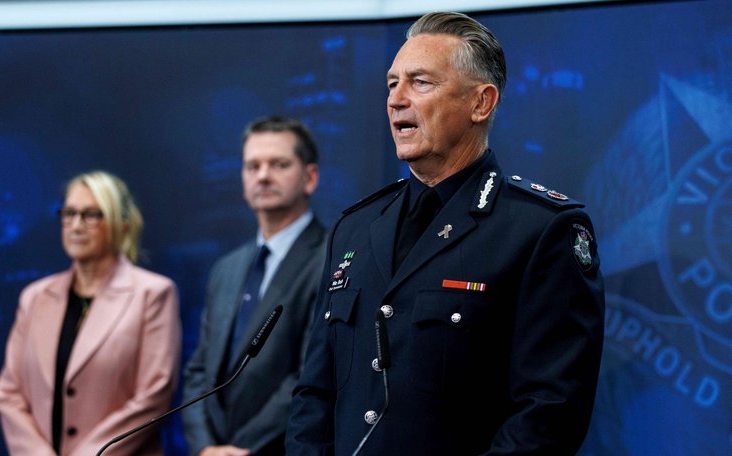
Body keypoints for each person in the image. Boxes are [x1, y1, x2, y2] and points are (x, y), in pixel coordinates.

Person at [287, 11, 605, 455]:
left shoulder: (540, 229)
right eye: (391, 83)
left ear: (481, 103)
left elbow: (550, 412)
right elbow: (314, 394)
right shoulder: (355, 228)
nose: (396, 99)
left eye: (420, 83)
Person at [0, 171, 181, 455]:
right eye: (69, 213)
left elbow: (154, 395)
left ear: (121, 224)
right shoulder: (34, 298)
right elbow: (9, 393)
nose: (76, 225)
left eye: (91, 214)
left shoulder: (152, 294)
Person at [182, 116, 327, 456]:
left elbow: (311, 373)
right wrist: (206, 447)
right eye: (252, 166)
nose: (262, 176)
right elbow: (199, 371)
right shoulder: (226, 268)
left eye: (278, 164)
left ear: (310, 177)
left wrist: (242, 449)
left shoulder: (332, 257)